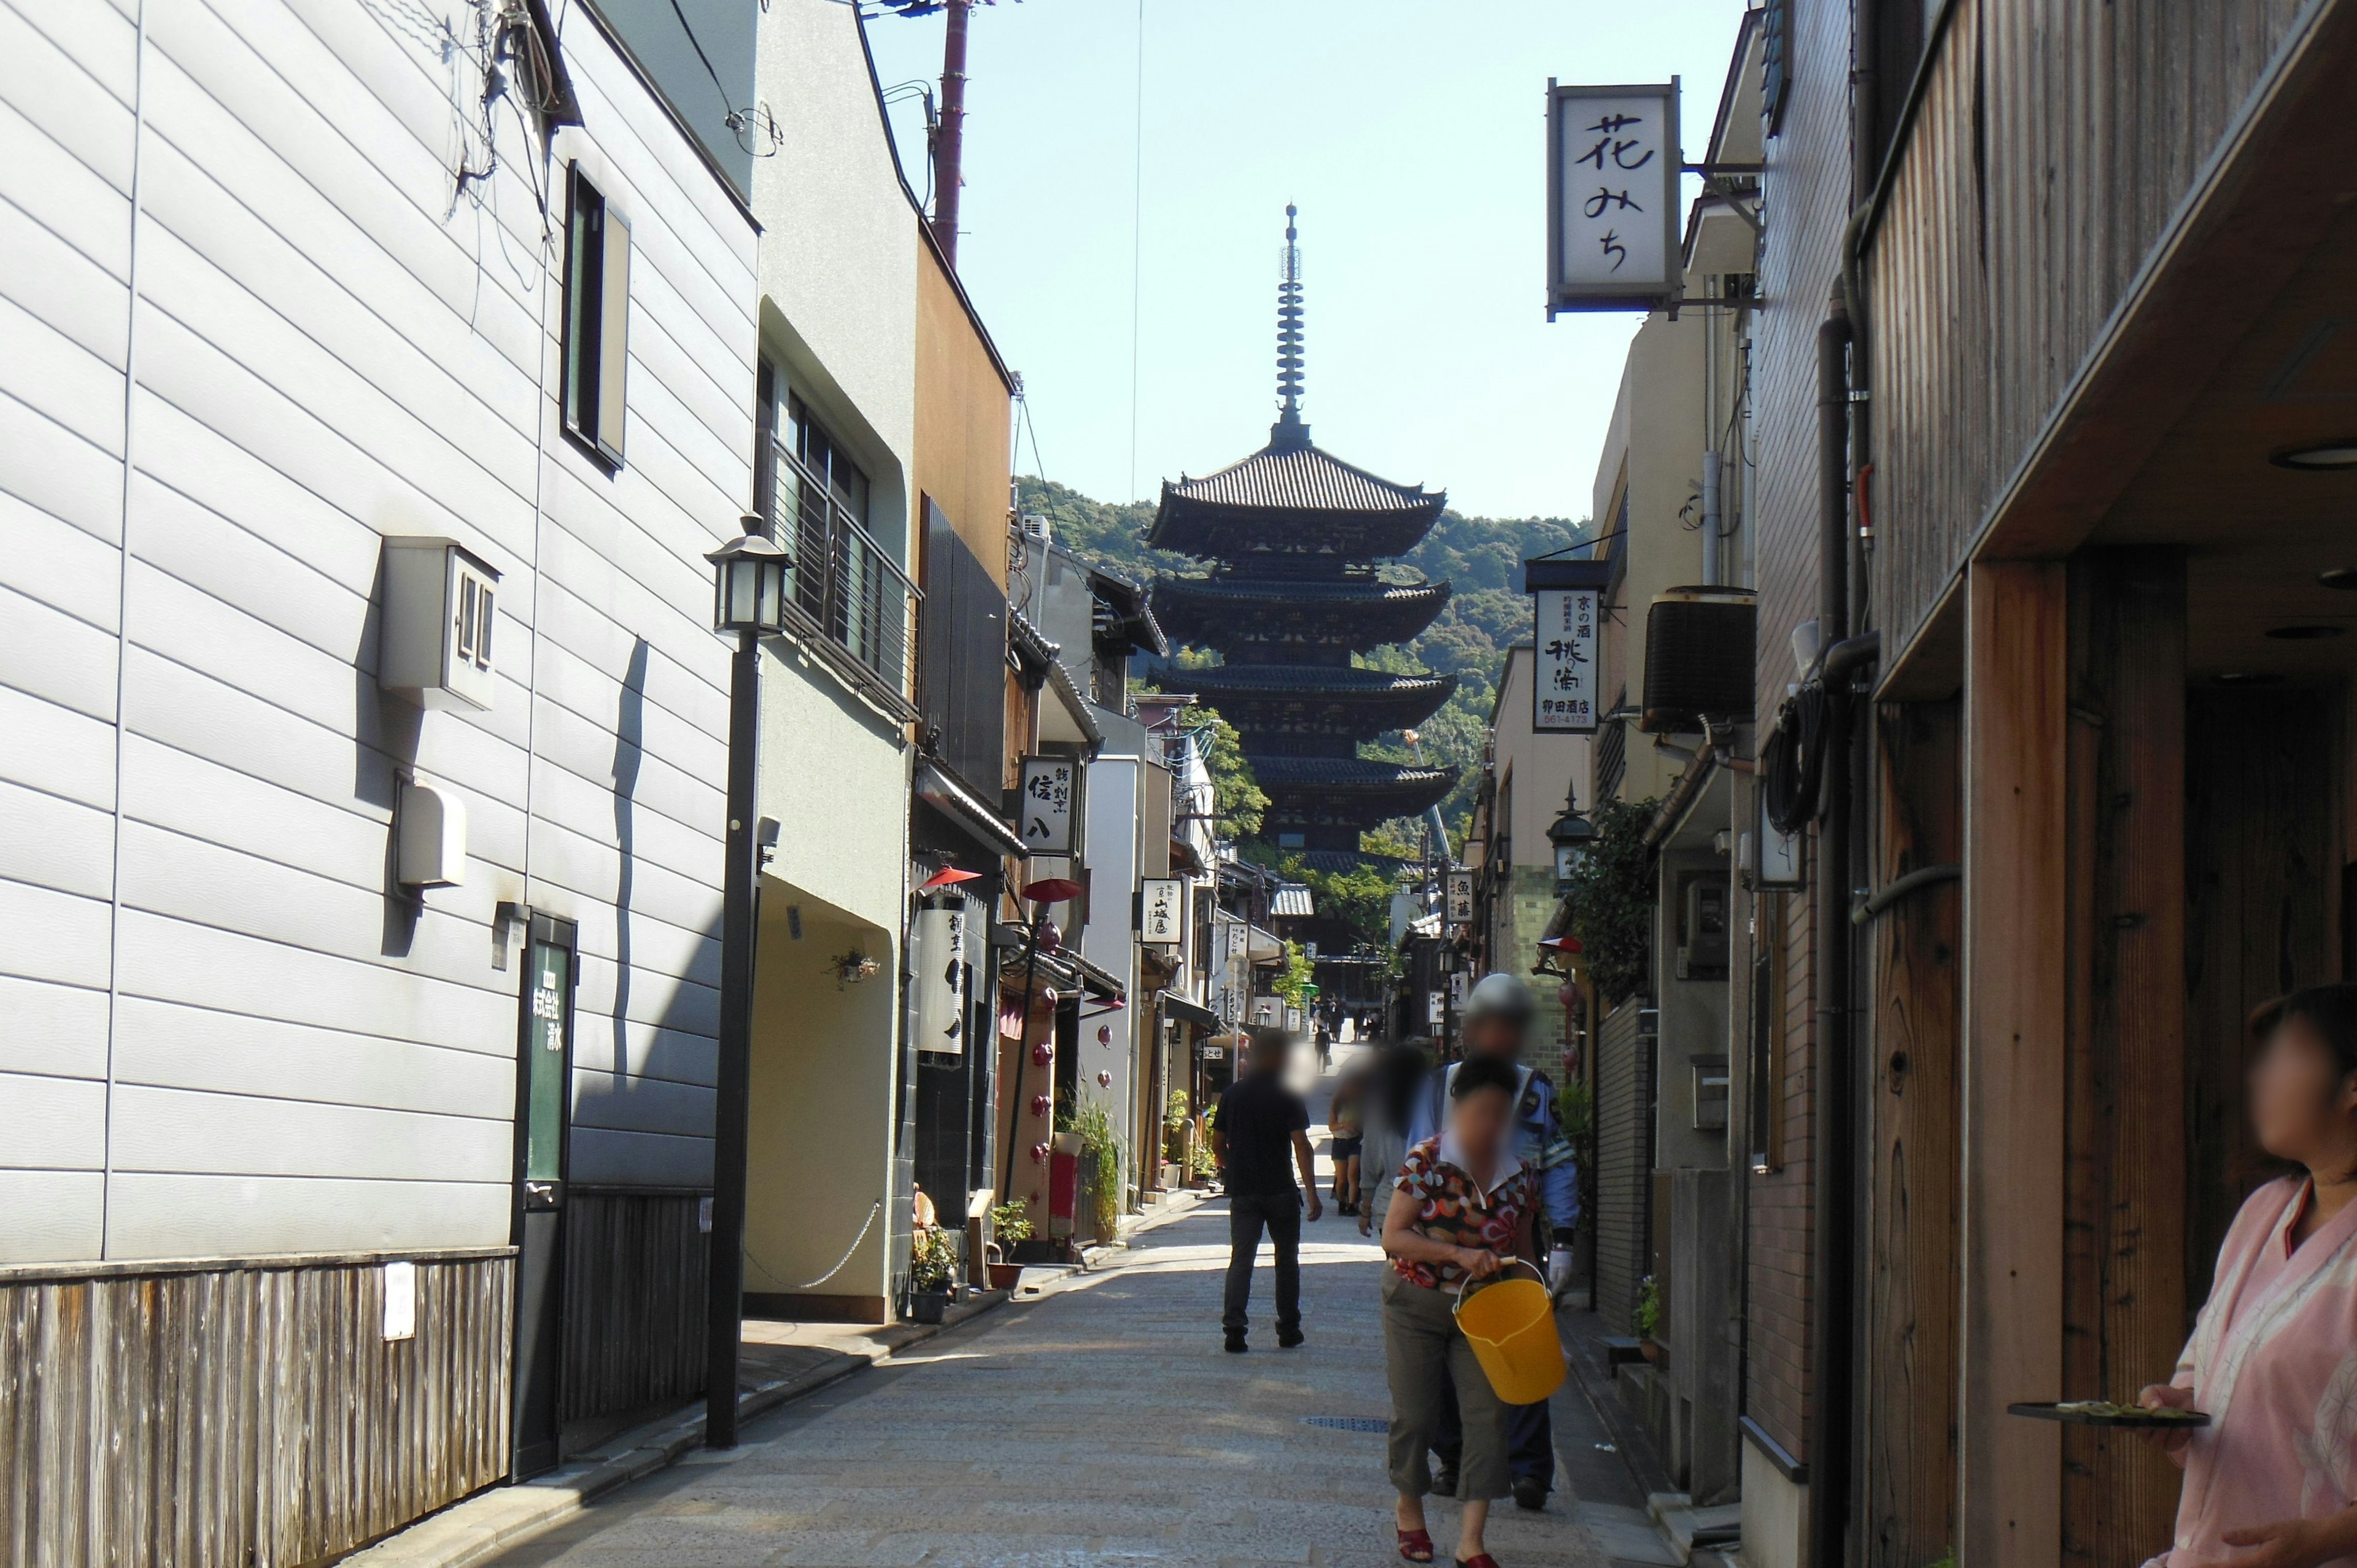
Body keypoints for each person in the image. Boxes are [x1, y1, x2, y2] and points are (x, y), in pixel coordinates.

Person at [2135, 984, 2357, 1566]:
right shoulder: (2265, 1210)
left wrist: (2323, 1540)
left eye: (2293, 1053)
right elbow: (2210, 1371)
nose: (2262, 1076)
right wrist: (2176, 1405)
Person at [1407, 973, 1579, 1512]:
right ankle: (1455, 1457)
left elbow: (1556, 1163)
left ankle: (1529, 1469)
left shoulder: (1536, 1090)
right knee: (1444, 1361)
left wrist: (1565, 1236)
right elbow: (1414, 1161)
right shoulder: (1438, 1087)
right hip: (1445, 1250)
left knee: (1522, 1350)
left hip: (1511, 1244)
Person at [1381, 1053, 1538, 1568]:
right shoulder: (1426, 1161)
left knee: (1488, 1418)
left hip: (1483, 1311)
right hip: (1416, 1302)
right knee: (1418, 1416)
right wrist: (1458, 1253)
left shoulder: (1520, 1177)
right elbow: (1394, 1237)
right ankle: (1410, 1511)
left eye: (1500, 1113)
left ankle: (1472, 1541)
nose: (1490, 1123)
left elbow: (1522, 1248)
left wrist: (1532, 1303)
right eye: (1481, 1111)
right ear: (1458, 1108)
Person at [1212, 1028, 1323, 1352]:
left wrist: (1230, 1167)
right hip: (1280, 1190)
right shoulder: (1288, 1094)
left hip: (1244, 1191)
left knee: (1241, 1259)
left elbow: (1218, 1143)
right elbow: (1301, 1145)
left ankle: (1234, 1330)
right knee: (1286, 1260)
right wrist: (1313, 1194)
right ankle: (1288, 1329)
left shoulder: (1232, 1094)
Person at [1358, 1038, 1432, 1237]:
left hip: (1390, 1203)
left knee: (1397, 1266)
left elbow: (1370, 1158)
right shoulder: (1435, 1100)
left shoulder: (1380, 1105)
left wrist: (1366, 1209)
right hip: (1432, 1203)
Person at [1329, 1066, 1365, 1216]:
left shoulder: (1363, 1105)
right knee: (1342, 1178)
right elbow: (1331, 1126)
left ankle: (1352, 1204)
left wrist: (1358, 1127)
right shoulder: (1338, 1104)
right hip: (1340, 1142)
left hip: (1356, 1142)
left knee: (1353, 1174)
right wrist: (1345, 1125)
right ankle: (1342, 1201)